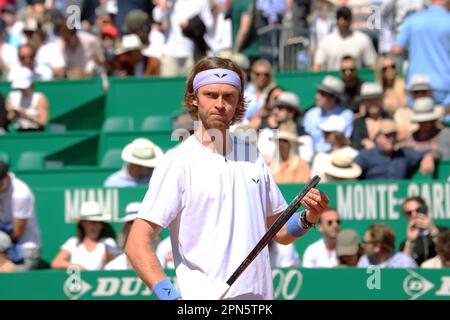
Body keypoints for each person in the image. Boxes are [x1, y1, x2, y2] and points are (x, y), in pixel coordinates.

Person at [125, 56, 329, 300]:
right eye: (210, 95)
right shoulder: (177, 162)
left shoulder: (252, 155)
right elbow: (136, 244)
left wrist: (309, 217)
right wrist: (171, 298)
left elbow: (281, 232)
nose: (220, 104)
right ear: (193, 98)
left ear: (238, 102)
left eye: (228, 96)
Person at [392, 0, 450, 107]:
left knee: (418, 121)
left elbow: (396, 49)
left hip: (417, 86)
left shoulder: (413, 20)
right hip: (445, 86)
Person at [354, 119, 435, 180]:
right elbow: (351, 172)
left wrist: (428, 157)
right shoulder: (366, 156)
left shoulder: (403, 155)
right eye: (387, 136)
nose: (391, 139)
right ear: (377, 137)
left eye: (393, 135)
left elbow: (425, 153)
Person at [51, 201, 117, 271]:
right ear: (83, 223)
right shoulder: (73, 242)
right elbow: (56, 263)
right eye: (92, 222)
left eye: (100, 222)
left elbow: (114, 264)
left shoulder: (108, 242)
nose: (96, 226)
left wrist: (109, 258)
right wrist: (76, 267)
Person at [0, 161, 41, 270]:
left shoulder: (20, 194)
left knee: (8, 273)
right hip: (3, 246)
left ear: (7, 177)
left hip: (25, 251)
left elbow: (17, 233)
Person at [312, 6, 377, 71]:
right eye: (339, 18)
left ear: (351, 19)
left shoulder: (363, 39)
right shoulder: (326, 41)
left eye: (345, 18)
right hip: (332, 80)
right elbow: (317, 66)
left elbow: (372, 64)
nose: (342, 21)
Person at [303, 75, 353, 153]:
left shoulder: (346, 115)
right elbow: (306, 139)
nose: (317, 96)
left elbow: (343, 139)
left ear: (334, 98)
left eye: (322, 94)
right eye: (318, 92)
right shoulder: (310, 114)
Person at [400, 196, 441, 266]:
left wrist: (433, 231)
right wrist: (410, 241)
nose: (414, 215)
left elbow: (447, 252)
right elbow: (403, 267)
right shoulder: (406, 243)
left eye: (418, 210)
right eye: (409, 213)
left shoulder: (443, 232)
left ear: (425, 210)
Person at [5, 66, 49, 131]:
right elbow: (7, 118)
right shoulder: (12, 96)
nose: (22, 90)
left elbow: (43, 122)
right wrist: (13, 113)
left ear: (31, 84)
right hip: (18, 132)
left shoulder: (40, 98)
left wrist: (26, 116)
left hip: (36, 133)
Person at [104, 202, 145, 271]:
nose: (134, 226)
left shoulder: (159, 248)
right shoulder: (112, 266)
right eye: (131, 222)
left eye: (138, 222)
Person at [351, 82, 390, 151]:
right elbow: (355, 145)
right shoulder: (358, 123)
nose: (373, 103)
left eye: (375, 99)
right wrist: (363, 142)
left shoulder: (389, 119)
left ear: (381, 100)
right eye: (369, 100)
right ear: (364, 102)